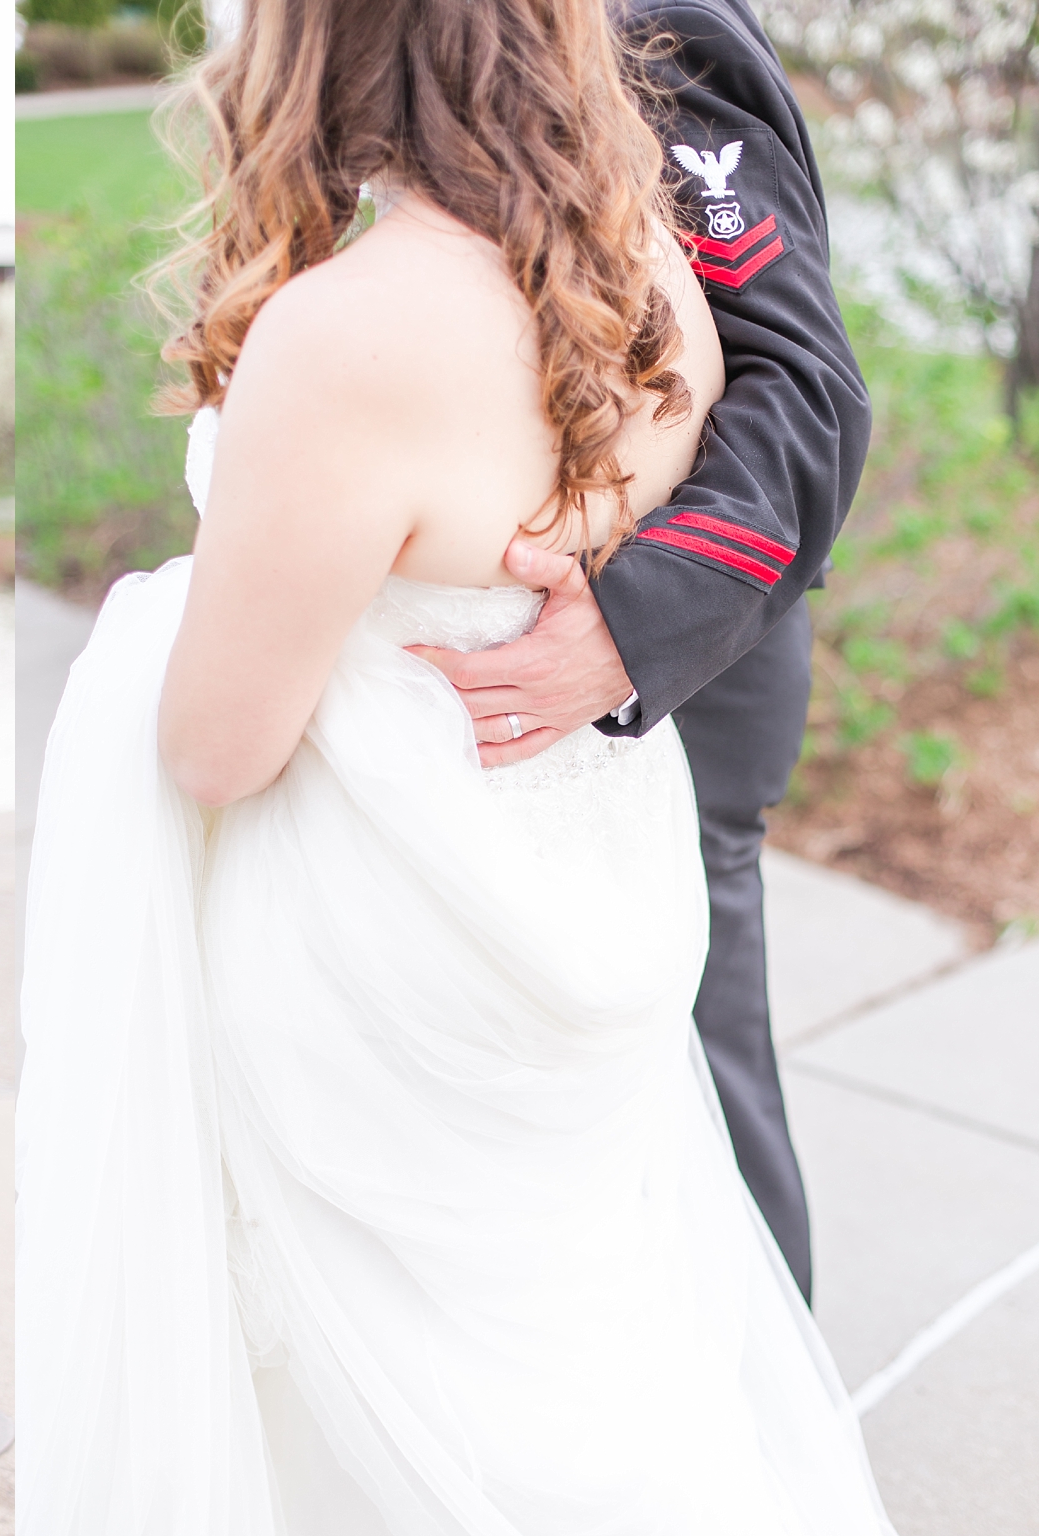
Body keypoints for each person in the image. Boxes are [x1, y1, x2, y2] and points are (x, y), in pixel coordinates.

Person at [16, 1, 893, 1531]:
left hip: (445, 882)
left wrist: (169, 617)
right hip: (576, 862)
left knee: (552, 1270)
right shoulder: (649, 293)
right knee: (609, 1279)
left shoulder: (357, 327)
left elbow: (216, 747)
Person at [411, 0, 867, 1304]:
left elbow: (802, 378)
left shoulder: (652, 29)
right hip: (507, 671)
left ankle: (771, 1458)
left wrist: (628, 631)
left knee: (696, 1083)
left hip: (674, 679)